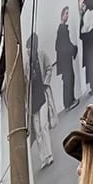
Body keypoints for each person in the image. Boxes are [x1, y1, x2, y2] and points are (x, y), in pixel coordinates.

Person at [26, 32, 54, 170]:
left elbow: (49, 68)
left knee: (44, 126)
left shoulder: (42, 55)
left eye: (29, 47)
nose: (28, 50)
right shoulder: (27, 64)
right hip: (33, 102)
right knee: (37, 132)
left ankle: (49, 154)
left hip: (42, 96)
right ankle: (43, 158)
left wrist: (45, 83)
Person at [55, 6, 80, 111]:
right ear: (62, 15)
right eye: (66, 13)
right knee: (68, 79)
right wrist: (73, 48)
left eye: (68, 13)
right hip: (65, 61)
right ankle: (69, 103)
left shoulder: (62, 28)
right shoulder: (62, 29)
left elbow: (59, 46)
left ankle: (69, 102)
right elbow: (63, 45)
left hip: (65, 60)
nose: (67, 15)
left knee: (68, 79)